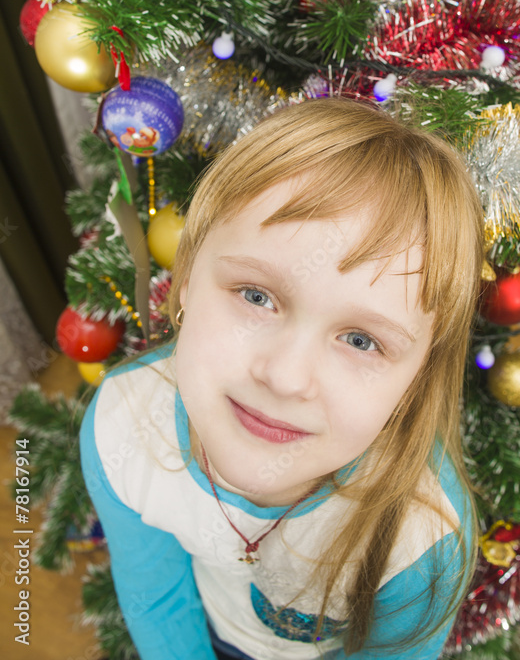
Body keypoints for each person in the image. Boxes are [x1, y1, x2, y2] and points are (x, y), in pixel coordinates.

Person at [80, 96, 484, 660]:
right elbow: (157, 600)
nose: (286, 377)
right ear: (188, 280)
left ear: (415, 379)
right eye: (256, 296)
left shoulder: (424, 537)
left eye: (362, 340)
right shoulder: (124, 428)